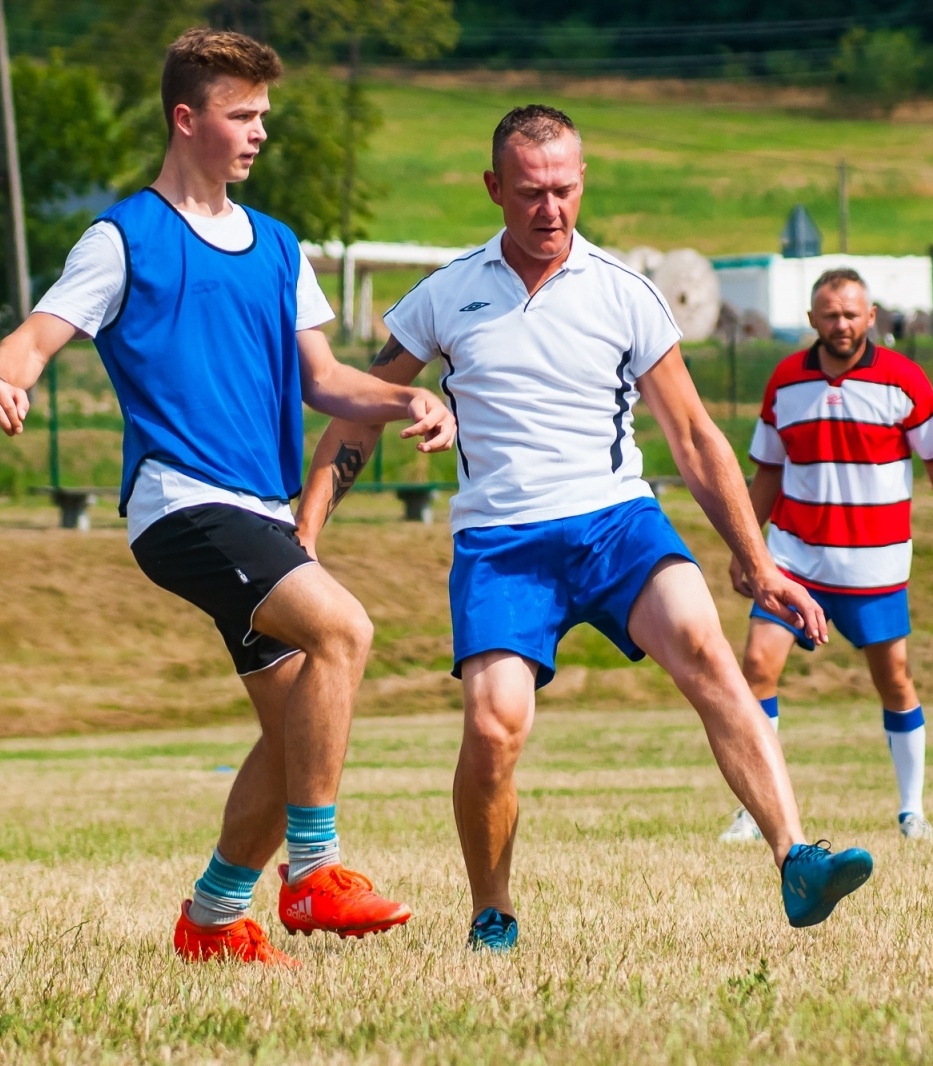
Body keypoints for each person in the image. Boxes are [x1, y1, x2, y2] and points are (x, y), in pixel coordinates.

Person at [295, 104, 872, 953]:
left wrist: (757, 562)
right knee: (494, 725)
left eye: (564, 189)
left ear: (582, 182)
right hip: (501, 542)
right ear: (495, 188)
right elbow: (356, 415)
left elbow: (694, 437)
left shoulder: (625, 292)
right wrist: (306, 533)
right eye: (531, 191)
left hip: (615, 523)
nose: (550, 209)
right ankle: (492, 910)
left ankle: (796, 859)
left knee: (706, 647)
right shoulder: (447, 294)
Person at [0, 28, 456, 968]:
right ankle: (314, 874)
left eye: (265, 114)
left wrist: (409, 399)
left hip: (260, 513)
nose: (260, 131)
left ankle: (215, 917)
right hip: (182, 504)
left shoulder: (278, 246)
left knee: (295, 726)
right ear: (187, 119)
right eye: (242, 115)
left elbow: (323, 379)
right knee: (345, 631)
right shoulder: (125, 239)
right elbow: (35, 337)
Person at [719, 269, 933, 845]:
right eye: (829, 314)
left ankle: (912, 810)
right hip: (794, 560)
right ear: (812, 319)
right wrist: (748, 548)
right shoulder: (786, 382)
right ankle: (754, 810)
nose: (840, 324)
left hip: (875, 565)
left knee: (894, 680)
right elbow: (767, 473)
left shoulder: (905, 380)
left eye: (850, 314)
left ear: (870, 317)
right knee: (757, 667)